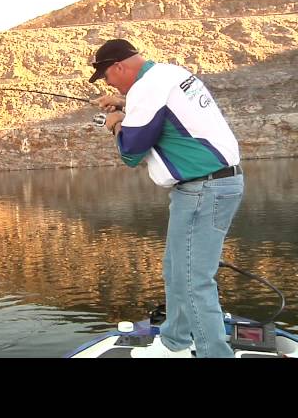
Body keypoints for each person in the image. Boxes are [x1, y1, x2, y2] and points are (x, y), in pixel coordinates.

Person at [89, 39, 244, 358]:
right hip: (206, 187)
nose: (107, 82)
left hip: (204, 189)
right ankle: (175, 340)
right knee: (176, 270)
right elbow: (170, 116)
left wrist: (115, 124)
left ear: (119, 66)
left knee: (194, 281)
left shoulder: (148, 87)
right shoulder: (168, 74)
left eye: (106, 75)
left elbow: (132, 152)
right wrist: (124, 104)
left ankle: (214, 353)